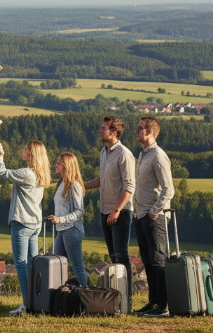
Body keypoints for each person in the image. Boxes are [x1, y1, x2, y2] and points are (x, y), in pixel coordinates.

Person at [0, 139, 51, 315]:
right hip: (35, 223)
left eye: (25, 148)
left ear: (31, 154)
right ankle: (36, 301)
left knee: (21, 264)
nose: (23, 150)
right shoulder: (42, 174)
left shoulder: (26, 173)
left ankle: (26, 304)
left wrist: (0, 154)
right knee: (33, 264)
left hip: (22, 222)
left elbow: (1, 172)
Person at [84, 116, 135, 310]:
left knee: (122, 256)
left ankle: (127, 301)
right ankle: (117, 298)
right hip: (105, 211)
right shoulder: (103, 153)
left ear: (114, 132)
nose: (100, 131)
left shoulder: (124, 154)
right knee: (114, 257)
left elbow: (129, 187)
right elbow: (102, 179)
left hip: (119, 212)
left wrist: (117, 210)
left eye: (103, 128)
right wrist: (83, 186)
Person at [132, 117, 175, 318]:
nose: (136, 131)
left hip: (153, 216)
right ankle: (153, 302)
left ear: (150, 131)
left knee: (158, 260)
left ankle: (162, 305)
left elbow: (169, 189)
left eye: (140, 129)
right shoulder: (143, 155)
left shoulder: (158, 156)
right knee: (148, 261)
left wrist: (154, 210)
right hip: (141, 215)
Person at [46, 152, 88, 287]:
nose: (55, 165)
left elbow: (79, 211)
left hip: (72, 229)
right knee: (56, 263)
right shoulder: (61, 184)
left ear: (67, 166)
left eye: (59, 163)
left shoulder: (74, 185)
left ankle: (84, 295)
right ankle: (59, 297)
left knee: (76, 265)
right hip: (62, 230)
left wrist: (60, 219)